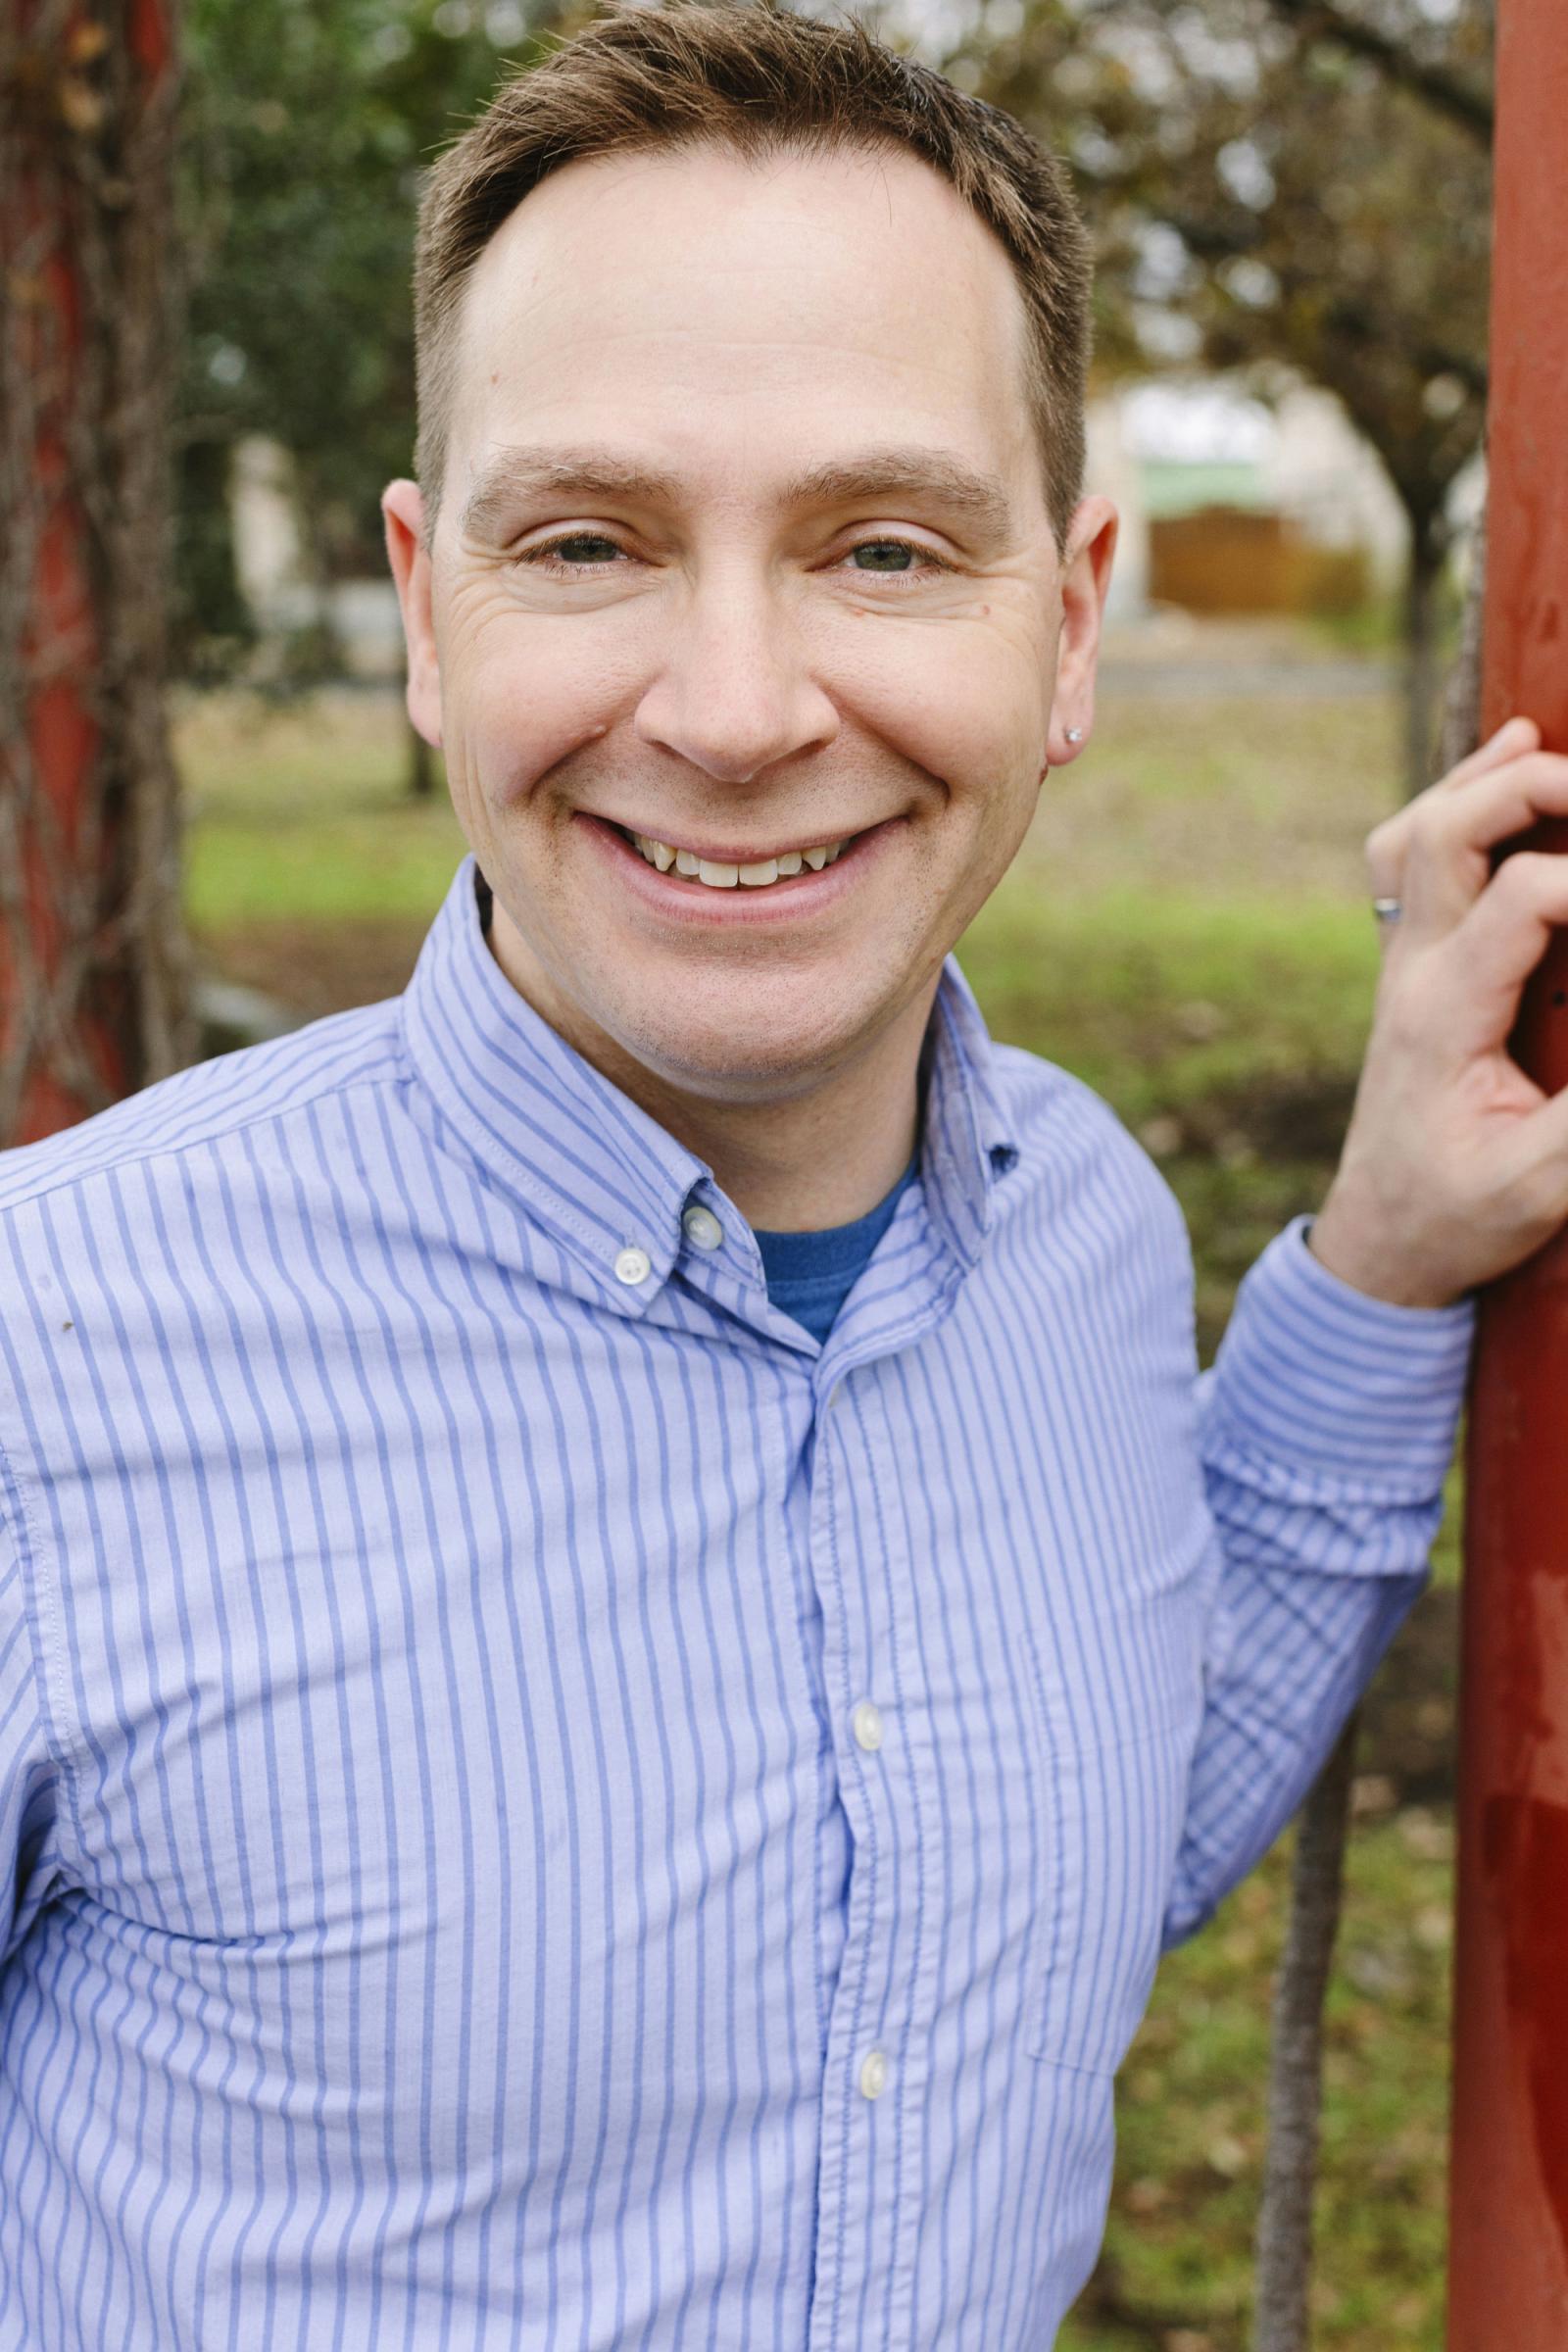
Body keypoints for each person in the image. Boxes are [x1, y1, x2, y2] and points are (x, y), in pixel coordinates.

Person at [3, 11, 1568, 2347]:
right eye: (589, 541)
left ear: (1065, 625)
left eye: (881, 545)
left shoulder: (1084, 1241)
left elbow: (1083, 1811)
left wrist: (1374, 1260)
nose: (733, 714)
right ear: (430, 610)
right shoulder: (49, 1363)